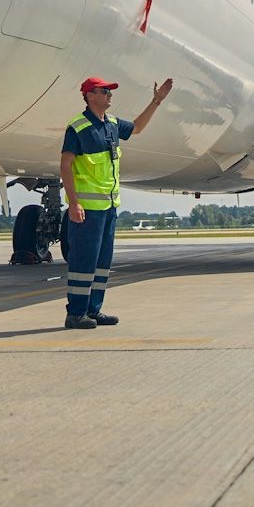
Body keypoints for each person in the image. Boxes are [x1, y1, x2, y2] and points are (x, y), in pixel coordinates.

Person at [60, 75, 173, 330]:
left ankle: (93, 309)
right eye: (104, 91)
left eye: (110, 91)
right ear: (90, 96)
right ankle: (75, 313)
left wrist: (156, 101)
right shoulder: (77, 127)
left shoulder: (111, 124)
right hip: (88, 209)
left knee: (102, 263)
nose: (110, 95)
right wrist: (74, 203)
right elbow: (65, 166)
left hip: (109, 207)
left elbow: (137, 128)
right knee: (83, 262)